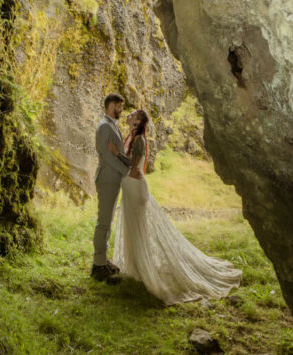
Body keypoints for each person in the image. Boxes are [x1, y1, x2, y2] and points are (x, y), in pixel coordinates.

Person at [109, 109, 242, 305]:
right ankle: (136, 267)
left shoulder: (139, 140)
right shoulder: (131, 136)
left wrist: (116, 153)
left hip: (136, 189)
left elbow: (133, 165)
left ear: (138, 122)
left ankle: (145, 269)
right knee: (132, 228)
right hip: (130, 187)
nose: (129, 116)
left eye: (134, 116)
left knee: (139, 229)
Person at [91, 93, 132, 283]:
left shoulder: (111, 125)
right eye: (119, 106)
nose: (121, 109)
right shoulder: (104, 127)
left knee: (107, 222)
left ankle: (103, 259)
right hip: (107, 179)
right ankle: (98, 266)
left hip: (112, 179)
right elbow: (107, 157)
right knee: (103, 222)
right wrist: (125, 171)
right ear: (111, 105)